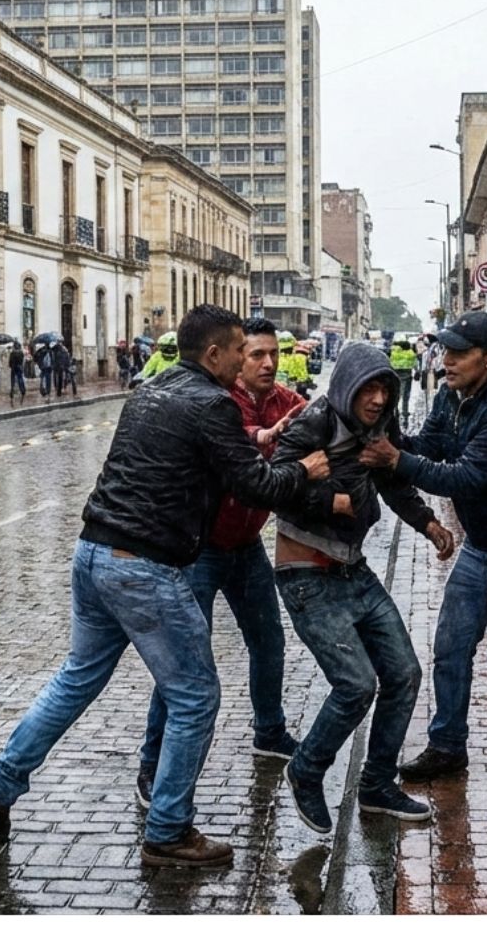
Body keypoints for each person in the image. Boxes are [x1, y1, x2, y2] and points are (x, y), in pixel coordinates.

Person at [0, 305, 330, 868]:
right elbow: (256, 486)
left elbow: (206, 461)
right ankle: (168, 829)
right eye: (240, 349)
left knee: (75, 680)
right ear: (214, 354)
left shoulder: (153, 389)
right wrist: (306, 469)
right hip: (143, 566)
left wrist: (259, 438)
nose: (246, 358)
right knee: (196, 696)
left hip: (93, 553)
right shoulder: (211, 403)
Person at [359, 310, 487, 828]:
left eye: (457, 353)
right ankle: (447, 745)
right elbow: (430, 446)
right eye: (444, 351)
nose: (445, 361)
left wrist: (394, 461)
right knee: (450, 647)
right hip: (483, 544)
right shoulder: (453, 395)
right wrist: (389, 438)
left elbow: (465, 478)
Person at [271, 342, 457, 833]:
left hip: (354, 569)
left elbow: (392, 482)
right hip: (307, 571)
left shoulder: (379, 427)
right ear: (348, 386)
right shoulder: (312, 422)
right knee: (356, 686)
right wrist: (326, 501)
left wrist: (428, 524)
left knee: (405, 674)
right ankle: (306, 769)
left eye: (385, 389)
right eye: (369, 389)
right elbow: (272, 484)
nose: (377, 399)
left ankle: (376, 785)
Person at [135, 319, 307, 808]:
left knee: (268, 641)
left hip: (247, 544)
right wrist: (266, 435)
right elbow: (237, 438)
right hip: (200, 549)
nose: (267, 363)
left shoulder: (286, 400)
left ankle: (269, 730)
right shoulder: (216, 401)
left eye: (272, 353)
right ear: (232, 357)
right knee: (183, 663)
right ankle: (153, 762)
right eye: (254, 355)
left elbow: (318, 422)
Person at [388, 333, 418, 417]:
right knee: (406, 395)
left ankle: (395, 409)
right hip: (407, 376)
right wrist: (417, 371)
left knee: (396, 393)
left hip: (395, 375)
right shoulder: (410, 353)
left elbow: (389, 362)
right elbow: (415, 364)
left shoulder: (393, 352)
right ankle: (405, 411)